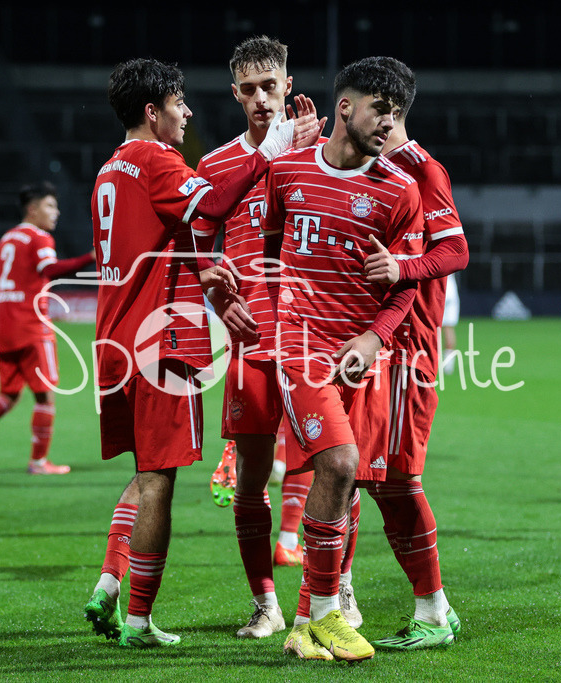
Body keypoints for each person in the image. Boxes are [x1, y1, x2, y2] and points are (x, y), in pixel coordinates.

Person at [82, 57, 296, 649]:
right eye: (179, 103)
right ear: (153, 112)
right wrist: (268, 150)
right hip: (159, 344)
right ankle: (139, 620)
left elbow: (159, 236)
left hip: (113, 340)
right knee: (160, 483)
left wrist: (198, 265)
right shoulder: (156, 159)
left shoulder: (109, 169)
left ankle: (108, 582)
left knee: (146, 472)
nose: (188, 113)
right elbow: (218, 202)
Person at [263, 56, 430, 662]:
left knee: (349, 481)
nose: (390, 123)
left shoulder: (400, 191)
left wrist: (375, 340)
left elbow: (405, 284)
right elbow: (268, 249)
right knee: (337, 463)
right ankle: (331, 611)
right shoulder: (286, 174)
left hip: (360, 353)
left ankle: (307, 618)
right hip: (300, 346)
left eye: (399, 113)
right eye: (380, 109)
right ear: (345, 108)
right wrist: (266, 326)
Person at [193, 35, 324, 640]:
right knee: (249, 480)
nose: (261, 98)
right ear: (235, 94)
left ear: (288, 85)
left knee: (333, 467)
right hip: (249, 341)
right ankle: (265, 602)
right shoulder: (216, 165)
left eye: (270, 85)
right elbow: (199, 248)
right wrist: (221, 298)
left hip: (310, 337)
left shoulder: (320, 154)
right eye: (248, 89)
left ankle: (330, 597)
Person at [359, 58, 469, 650]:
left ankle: (430, 612)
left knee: (396, 481)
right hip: (378, 347)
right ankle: (435, 607)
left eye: (370, 107)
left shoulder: (422, 171)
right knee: (369, 478)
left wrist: (402, 267)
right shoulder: (376, 168)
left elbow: (457, 252)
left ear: (391, 112)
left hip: (407, 350)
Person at [0, 182, 94, 475]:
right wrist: (90, 259)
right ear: (33, 209)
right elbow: (50, 270)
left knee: (9, 394)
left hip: (4, 326)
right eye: (50, 206)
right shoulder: (39, 237)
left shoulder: (7, 238)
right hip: (32, 327)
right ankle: (39, 462)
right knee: (45, 396)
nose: (56, 213)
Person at [440, 273, 460, 374]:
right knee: (449, 328)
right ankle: (448, 366)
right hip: (451, 289)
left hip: (439, 288)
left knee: (430, 328)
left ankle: (427, 360)